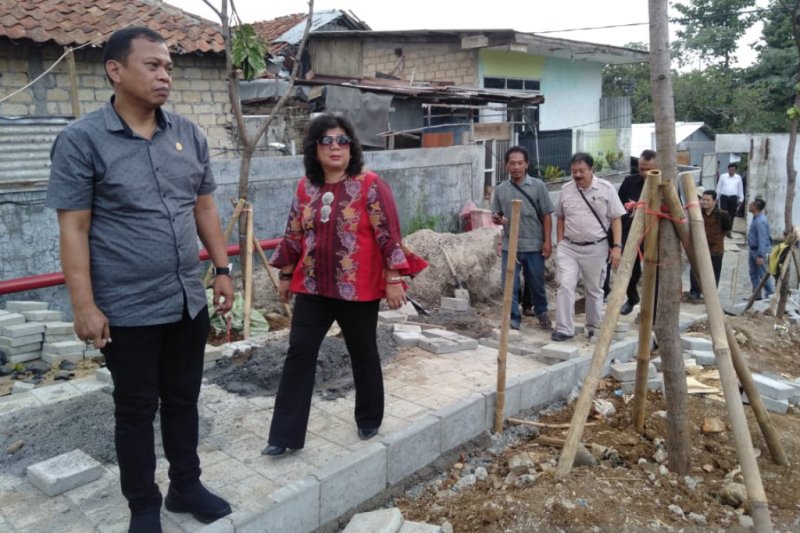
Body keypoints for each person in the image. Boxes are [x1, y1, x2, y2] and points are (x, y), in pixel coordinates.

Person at [46, 28, 233, 532]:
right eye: (152, 65)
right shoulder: (82, 140)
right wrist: (84, 305)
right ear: (115, 70)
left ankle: (185, 487)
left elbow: (205, 206)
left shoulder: (187, 134)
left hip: (185, 302)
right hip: (127, 309)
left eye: (168, 67)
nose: (164, 75)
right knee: (134, 411)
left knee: (183, 400)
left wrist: (222, 269)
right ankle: (143, 507)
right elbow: (75, 228)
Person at [263, 114, 426, 457]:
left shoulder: (370, 185)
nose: (335, 147)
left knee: (362, 352)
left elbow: (388, 233)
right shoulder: (305, 188)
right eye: (327, 141)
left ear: (351, 148)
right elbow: (294, 234)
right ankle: (284, 435)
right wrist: (284, 275)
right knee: (299, 354)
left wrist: (394, 278)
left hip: (357, 289)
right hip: (312, 288)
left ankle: (369, 417)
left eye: (342, 141)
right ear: (314, 148)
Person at [552, 153, 625, 342]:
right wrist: (560, 243)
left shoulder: (606, 189)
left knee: (594, 289)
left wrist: (617, 247)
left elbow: (616, 219)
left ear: (591, 170)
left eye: (581, 171)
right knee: (565, 286)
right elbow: (560, 217)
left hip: (596, 248)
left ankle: (594, 326)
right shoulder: (566, 189)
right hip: (568, 247)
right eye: (574, 171)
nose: (577, 175)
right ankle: (564, 329)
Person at [491, 146, 554, 330]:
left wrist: (547, 241)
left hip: (534, 244)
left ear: (527, 164)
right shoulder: (501, 190)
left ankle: (542, 312)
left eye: (520, 163)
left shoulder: (538, 186)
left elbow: (547, 215)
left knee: (536, 282)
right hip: (510, 245)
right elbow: (497, 214)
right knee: (509, 283)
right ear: (506, 165)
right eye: (512, 163)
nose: (516, 167)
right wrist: (498, 219)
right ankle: (513, 317)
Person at [616, 149, 657, 315]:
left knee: (654, 269)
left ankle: (653, 306)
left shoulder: (665, 184)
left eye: (648, 169)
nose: (644, 172)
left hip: (654, 232)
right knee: (628, 268)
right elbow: (617, 208)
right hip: (631, 231)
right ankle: (632, 297)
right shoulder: (629, 182)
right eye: (641, 168)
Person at [687, 190, 733, 301]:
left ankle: (711, 295)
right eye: (703, 199)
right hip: (698, 247)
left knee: (713, 272)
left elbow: (727, 229)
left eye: (708, 200)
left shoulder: (723, 215)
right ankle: (695, 292)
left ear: (714, 201)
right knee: (695, 270)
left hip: (715, 249)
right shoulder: (697, 213)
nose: (704, 202)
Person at [747, 197, 774, 299]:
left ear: (756, 207)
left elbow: (763, 239)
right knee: (753, 273)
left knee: (763, 274)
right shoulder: (756, 219)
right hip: (753, 249)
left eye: (752, 204)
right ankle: (757, 294)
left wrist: (760, 255)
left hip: (758, 251)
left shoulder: (760, 221)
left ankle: (770, 295)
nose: (749, 205)